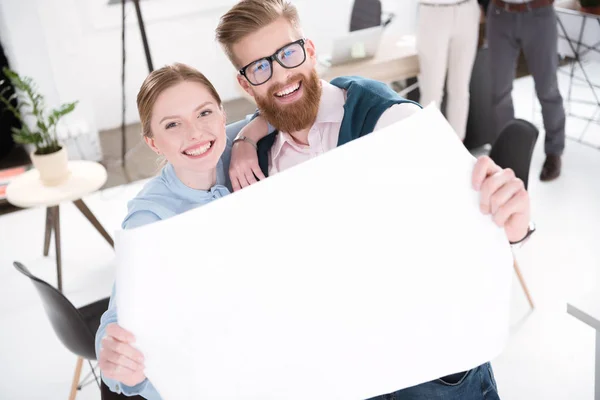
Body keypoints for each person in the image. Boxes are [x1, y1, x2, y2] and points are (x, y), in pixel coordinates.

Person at [217, 0, 534, 398]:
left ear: (310, 51)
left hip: (429, 372)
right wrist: (246, 137)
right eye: (260, 67)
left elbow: (478, 224)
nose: (280, 76)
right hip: (339, 375)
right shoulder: (255, 163)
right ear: (246, 85)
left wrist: (513, 226)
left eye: (288, 54)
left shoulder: (389, 121)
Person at [95, 63, 268, 399]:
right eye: (172, 124)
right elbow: (118, 318)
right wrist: (117, 362)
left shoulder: (229, 143)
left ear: (221, 114)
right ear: (154, 142)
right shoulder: (148, 219)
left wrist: (247, 138)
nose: (195, 133)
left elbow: (280, 110)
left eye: (204, 113)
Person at [486, 0, 566, 181]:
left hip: (538, 13)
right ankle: (506, 155)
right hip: (500, 15)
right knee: (499, 91)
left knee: (547, 89)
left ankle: (554, 151)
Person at [416, 0, 482, 141]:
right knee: (431, 91)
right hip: (433, 10)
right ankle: (428, 147)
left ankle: (457, 149)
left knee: (460, 89)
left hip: (467, 9)